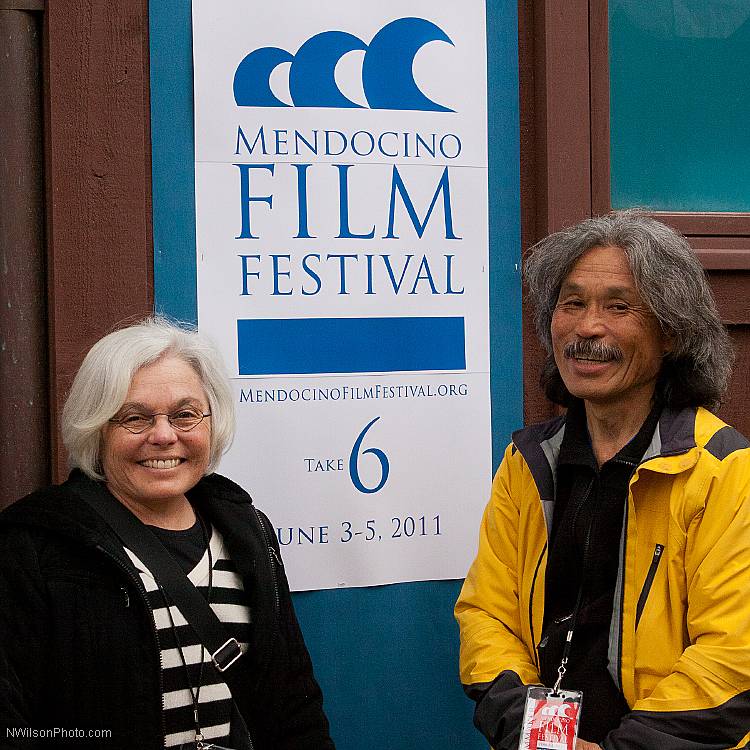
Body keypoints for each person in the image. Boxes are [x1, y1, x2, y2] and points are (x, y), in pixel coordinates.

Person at [455, 210, 750, 749]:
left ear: (671, 333)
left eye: (619, 306)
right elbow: (486, 616)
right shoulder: (529, 462)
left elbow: (732, 659)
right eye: (572, 303)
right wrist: (547, 740)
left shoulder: (726, 472)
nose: (588, 327)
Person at [0, 317, 335, 749]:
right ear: (95, 428)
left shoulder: (249, 533)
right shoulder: (31, 549)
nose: (163, 436)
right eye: (134, 418)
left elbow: (292, 706)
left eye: (185, 415)